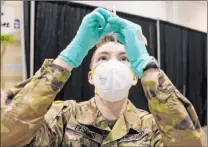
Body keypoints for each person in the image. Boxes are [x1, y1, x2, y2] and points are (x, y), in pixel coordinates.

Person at [1, 8, 206, 147]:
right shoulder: (63, 117)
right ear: (91, 77)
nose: (113, 64)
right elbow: (8, 134)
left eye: (125, 58)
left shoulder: (152, 126)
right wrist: (67, 59)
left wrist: (148, 68)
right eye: (103, 58)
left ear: (134, 77)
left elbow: (190, 143)